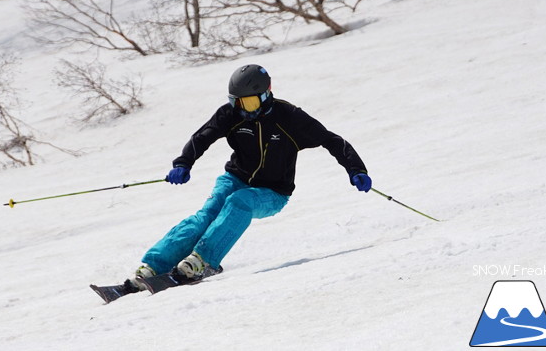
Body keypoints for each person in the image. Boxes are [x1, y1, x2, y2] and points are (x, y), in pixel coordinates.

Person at [127, 64, 372, 289]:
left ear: (266, 95)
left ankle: (203, 261)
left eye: (252, 103)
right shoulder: (231, 114)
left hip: (273, 192)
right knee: (206, 216)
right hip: (234, 178)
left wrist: (356, 169)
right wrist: (183, 164)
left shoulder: (290, 117)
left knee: (239, 202)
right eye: (239, 103)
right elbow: (202, 137)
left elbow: (332, 140)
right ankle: (152, 266)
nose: (245, 110)